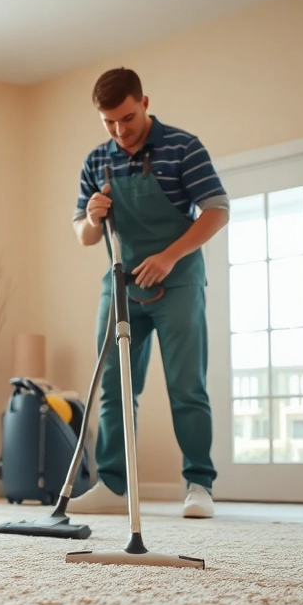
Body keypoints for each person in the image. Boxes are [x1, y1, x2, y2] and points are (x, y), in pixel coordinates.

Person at [67, 68, 229, 520]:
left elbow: (217, 211)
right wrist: (94, 217)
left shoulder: (183, 147)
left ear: (145, 102)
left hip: (176, 280)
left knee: (186, 386)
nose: (120, 130)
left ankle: (200, 484)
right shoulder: (97, 161)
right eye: (109, 122)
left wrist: (170, 257)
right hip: (120, 283)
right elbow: (81, 233)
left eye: (128, 118)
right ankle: (114, 485)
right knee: (115, 390)